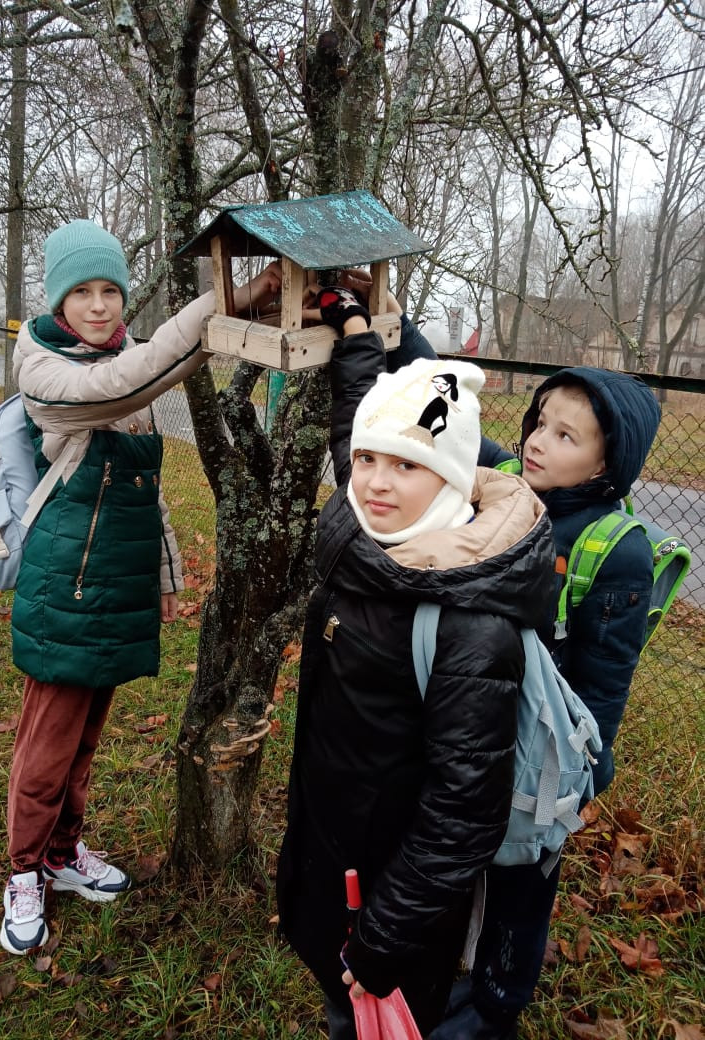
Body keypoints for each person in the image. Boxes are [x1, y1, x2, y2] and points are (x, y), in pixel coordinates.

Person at [275, 285, 557, 1039]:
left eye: (401, 465)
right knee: (340, 1005)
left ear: (453, 477)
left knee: (369, 1016)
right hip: (337, 850)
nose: (372, 480)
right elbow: (359, 420)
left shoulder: (469, 622)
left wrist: (384, 940)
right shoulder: (373, 525)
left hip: (397, 903)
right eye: (366, 461)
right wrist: (356, 328)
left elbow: (464, 811)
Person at [0, 219, 281, 955]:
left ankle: (63, 857)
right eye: (82, 292)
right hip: (67, 588)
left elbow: (144, 491)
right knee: (46, 746)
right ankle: (24, 872)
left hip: (116, 583)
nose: (99, 306)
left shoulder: (122, 354)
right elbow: (136, 378)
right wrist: (232, 299)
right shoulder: (48, 372)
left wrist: (164, 575)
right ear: (58, 302)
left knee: (85, 740)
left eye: (111, 291)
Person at [431, 367, 662, 1039]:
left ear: (606, 462)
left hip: (543, 764)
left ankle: (497, 1003)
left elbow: (605, 683)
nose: (537, 442)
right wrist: (388, 333)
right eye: (539, 422)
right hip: (470, 732)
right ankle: (458, 976)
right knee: (460, 862)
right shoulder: (507, 489)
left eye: (567, 435)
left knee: (521, 891)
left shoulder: (615, 551)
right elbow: (458, 426)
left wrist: (588, 781)